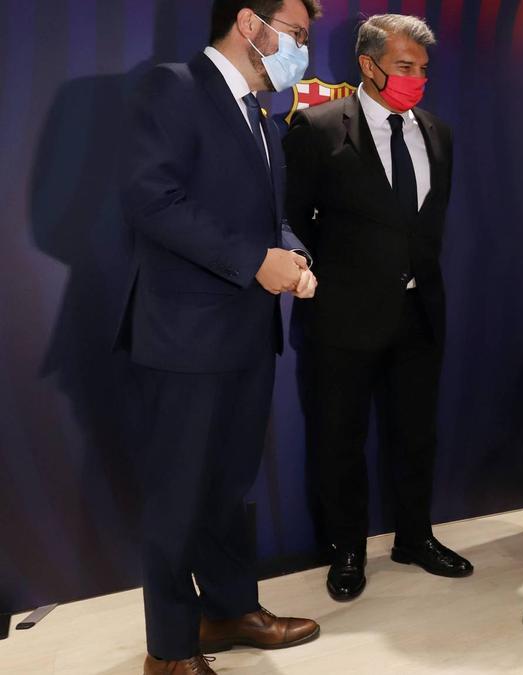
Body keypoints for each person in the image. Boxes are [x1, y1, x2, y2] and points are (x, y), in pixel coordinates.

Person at [118, 0, 323, 672]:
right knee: (178, 495)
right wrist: (253, 261)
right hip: (184, 335)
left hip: (246, 334)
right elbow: (153, 200)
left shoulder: (262, 117)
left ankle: (230, 609)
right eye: (296, 33)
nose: (303, 49)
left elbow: (272, 218)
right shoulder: (172, 87)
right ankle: (170, 650)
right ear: (248, 24)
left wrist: (291, 257)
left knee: (231, 488)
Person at [283, 14, 470, 603]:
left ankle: (415, 537)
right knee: (339, 438)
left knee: (416, 435)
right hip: (342, 319)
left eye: (423, 69)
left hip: (419, 315)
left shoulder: (438, 133)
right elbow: (290, 217)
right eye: (404, 67)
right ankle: (345, 550)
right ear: (369, 66)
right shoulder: (315, 128)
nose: (417, 78)